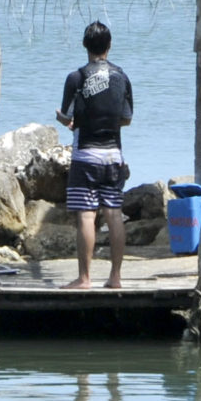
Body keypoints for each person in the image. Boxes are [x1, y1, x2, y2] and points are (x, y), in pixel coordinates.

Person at [55, 20, 134, 290]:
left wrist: (62, 118)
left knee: (86, 216)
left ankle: (84, 278)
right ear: (109, 45)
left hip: (86, 155)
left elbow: (67, 116)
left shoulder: (76, 78)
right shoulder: (121, 77)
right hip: (113, 155)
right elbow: (126, 118)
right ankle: (115, 277)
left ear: (84, 45)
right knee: (114, 214)